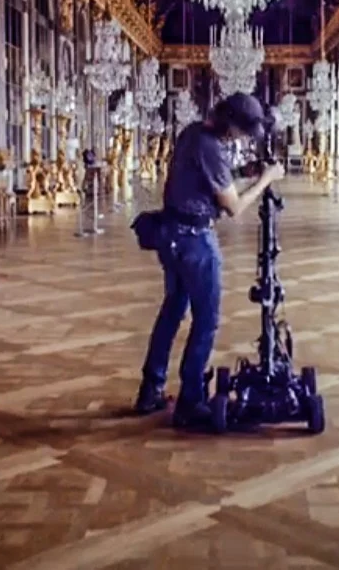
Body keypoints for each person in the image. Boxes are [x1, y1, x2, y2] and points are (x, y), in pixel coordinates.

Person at [133, 92, 286, 426]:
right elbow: (234, 208)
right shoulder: (211, 147)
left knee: (173, 310)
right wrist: (266, 178)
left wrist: (244, 170)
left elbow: (206, 178)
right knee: (206, 319)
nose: (243, 137)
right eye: (242, 131)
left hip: (170, 234)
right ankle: (191, 401)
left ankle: (151, 389)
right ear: (228, 122)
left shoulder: (192, 132)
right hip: (193, 241)